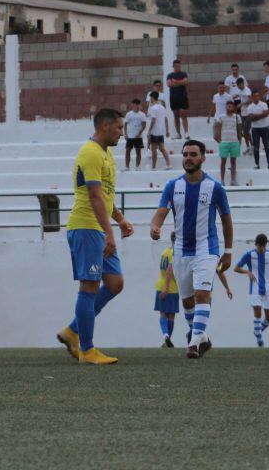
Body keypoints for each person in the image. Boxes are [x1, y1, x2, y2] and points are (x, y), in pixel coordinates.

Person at [56, 108, 135, 365]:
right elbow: (93, 196)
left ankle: (72, 331)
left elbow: (106, 195)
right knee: (89, 286)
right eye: (119, 128)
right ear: (104, 127)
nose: (122, 133)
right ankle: (87, 350)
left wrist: (120, 219)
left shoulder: (106, 153)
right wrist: (110, 233)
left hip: (98, 228)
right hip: (87, 227)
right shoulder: (90, 153)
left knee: (115, 283)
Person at [150, 140, 234, 360]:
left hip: (207, 249)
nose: (188, 158)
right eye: (185, 154)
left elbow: (226, 221)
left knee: (201, 294)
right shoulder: (172, 186)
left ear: (203, 158)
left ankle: (194, 341)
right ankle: (203, 337)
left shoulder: (215, 187)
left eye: (193, 154)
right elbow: (160, 212)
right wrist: (155, 226)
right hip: (180, 251)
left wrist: (228, 251)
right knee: (187, 301)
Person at [233, 234, 269, 347]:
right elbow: (236, 268)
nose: (260, 248)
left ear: (265, 245)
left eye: (262, 246)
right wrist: (247, 272)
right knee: (257, 311)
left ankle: (258, 330)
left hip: (268, 290)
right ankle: (260, 340)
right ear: (255, 244)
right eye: (258, 246)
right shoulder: (249, 255)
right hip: (254, 289)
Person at [155, 233, 179, 348]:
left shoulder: (165, 252)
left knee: (163, 313)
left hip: (160, 285)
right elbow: (170, 270)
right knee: (171, 315)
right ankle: (167, 336)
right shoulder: (175, 253)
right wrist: (166, 287)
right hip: (171, 288)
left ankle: (166, 337)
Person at [246, 90, 269, 169]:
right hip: (255, 129)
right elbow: (251, 118)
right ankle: (257, 164)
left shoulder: (264, 104)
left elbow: (266, 114)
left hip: (265, 127)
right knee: (256, 147)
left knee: (267, 146)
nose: (256, 97)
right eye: (255, 96)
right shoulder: (250, 106)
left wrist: (255, 116)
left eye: (258, 96)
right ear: (252, 97)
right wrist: (261, 115)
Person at [218, 100, 242, 186]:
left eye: (231, 106)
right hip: (224, 141)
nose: (229, 108)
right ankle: (222, 180)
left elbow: (239, 129)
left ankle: (233, 180)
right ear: (226, 107)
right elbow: (219, 128)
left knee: (233, 162)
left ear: (233, 108)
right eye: (228, 106)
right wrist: (219, 140)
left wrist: (239, 140)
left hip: (234, 141)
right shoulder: (221, 117)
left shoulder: (237, 117)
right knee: (223, 162)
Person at [166, 60, 190, 139]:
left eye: (179, 66)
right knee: (176, 115)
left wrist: (175, 81)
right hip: (173, 97)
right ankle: (178, 134)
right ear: (173, 66)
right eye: (176, 66)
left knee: (183, 114)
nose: (178, 67)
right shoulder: (170, 75)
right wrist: (180, 83)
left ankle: (186, 133)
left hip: (182, 96)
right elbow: (169, 84)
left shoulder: (183, 74)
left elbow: (185, 82)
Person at [147, 92, 170, 169]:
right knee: (162, 148)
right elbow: (166, 119)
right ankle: (168, 164)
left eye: (150, 98)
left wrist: (149, 130)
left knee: (154, 149)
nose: (150, 99)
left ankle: (153, 167)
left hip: (155, 131)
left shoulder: (153, 108)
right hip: (161, 131)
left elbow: (153, 120)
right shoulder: (162, 107)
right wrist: (167, 130)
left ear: (152, 98)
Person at [123, 99, 147, 171]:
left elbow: (144, 125)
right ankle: (127, 166)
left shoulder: (142, 114)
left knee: (138, 151)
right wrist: (126, 134)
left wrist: (139, 133)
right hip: (130, 136)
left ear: (139, 105)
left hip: (138, 137)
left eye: (137, 104)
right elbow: (125, 124)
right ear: (132, 105)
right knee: (127, 151)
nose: (135, 106)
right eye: (134, 104)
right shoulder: (129, 114)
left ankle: (137, 166)